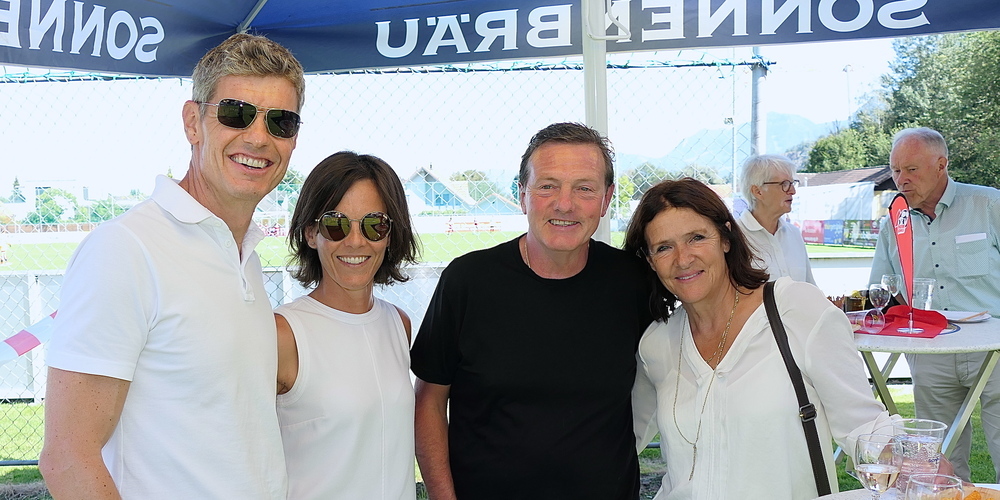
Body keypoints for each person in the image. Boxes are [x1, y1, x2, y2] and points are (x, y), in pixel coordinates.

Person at [40, 33, 304, 499]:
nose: (259, 137)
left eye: (280, 121)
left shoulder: (246, 257)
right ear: (193, 121)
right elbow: (67, 456)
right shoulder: (125, 250)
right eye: (236, 113)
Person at [410, 122, 653, 500]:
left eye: (584, 188)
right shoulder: (468, 281)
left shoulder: (633, 282)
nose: (564, 203)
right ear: (522, 194)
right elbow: (429, 400)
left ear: (606, 200)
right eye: (548, 186)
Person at [626, 178, 898, 500]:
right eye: (664, 247)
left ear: (726, 238)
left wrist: (921, 470)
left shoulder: (796, 310)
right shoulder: (657, 343)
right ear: (650, 261)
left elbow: (865, 427)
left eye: (696, 238)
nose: (683, 259)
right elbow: (618, 437)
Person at [276, 151, 418, 500]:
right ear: (310, 233)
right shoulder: (282, 334)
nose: (355, 242)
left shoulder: (398, 324)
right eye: (336, 224)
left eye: (374, 224)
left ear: (390, 235)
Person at [869, 127, 1000, 481]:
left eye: (911, 169)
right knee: (939, 462)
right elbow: (881, 289)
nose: (901, 179)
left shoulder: (989, 205)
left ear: (941, 164)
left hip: (995, 350)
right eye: (896, 170)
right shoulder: (892, 224)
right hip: (929, 354)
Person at [736, 154, 815, 284]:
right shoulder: (734, 237)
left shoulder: (793, 234)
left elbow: (810, 288)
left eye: (792, 183)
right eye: (784, 184)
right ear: (758, 191)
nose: (793, 191)